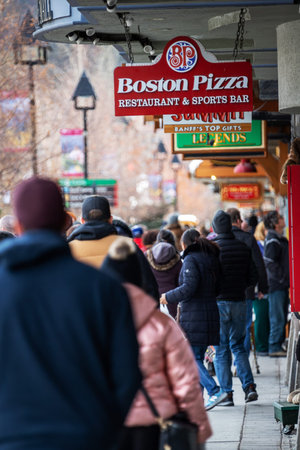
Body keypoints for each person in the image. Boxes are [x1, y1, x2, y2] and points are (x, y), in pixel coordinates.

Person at [0, 176, 141, 450]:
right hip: (86, 436)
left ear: (18, 225)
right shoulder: (103, 288)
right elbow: (126, 376)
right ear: (64, 221)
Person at [101, 237, 212, 450]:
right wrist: (198, 430)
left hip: (109, 422)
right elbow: (186, 381)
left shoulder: (94, 323)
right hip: (155, 421)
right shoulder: (163, 325)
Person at [160, 228, 226, 411]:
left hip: (195, 315)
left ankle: (214, 391)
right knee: (196, 357)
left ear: (184, 244)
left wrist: (168, 296)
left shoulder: (190, 259)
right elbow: (218, 287)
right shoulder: (212, 258)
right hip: (209, 313)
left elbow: (188, 287)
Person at [67, 195, 159, 301]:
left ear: (82, 220)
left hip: (82, 314)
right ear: (111, 220)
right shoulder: (127, 245)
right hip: (121, 314)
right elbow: (149, 288)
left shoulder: (68, 250)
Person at [212, 210, 259, 406]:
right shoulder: (243, 246)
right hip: (240, 301)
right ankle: (249, 387)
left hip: (219, 302)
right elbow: (253, 276)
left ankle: (226, 394)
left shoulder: (212, 249)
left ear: (215, 228)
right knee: (238, 345)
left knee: (221, 349)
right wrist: (241, 286)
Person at [227, 208, 268, 356]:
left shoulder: (216, 239)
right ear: (238, 220)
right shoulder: (248, 239)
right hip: (246, 291)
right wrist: (262, 287)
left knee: (227, 328)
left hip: (224, 292)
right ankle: (241, 362)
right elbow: (259, 266)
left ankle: (228, 361)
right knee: (244, 327)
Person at [263, 210, 290, 357]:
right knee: (277, 317)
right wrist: (282, 279)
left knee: (281, 315)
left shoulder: (278, 238)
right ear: (275, 223)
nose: (283, 219)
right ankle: (274, 346)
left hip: (281, 284)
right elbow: (270, 263)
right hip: (276, 285)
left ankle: (277, 344)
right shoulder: (273, 240)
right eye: (280, 218)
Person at [146, 229, 182, 319]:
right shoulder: (178, 260)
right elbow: (181, 282)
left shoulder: (147, 256)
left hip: (153, 300)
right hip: (173, 299)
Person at [253, 221, 270, 355]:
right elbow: (258, 268)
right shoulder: (257, 245)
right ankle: (261, 346)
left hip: (269, 286)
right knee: (261, 317)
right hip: (259, 289)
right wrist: (260, 288)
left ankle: (265, 344)